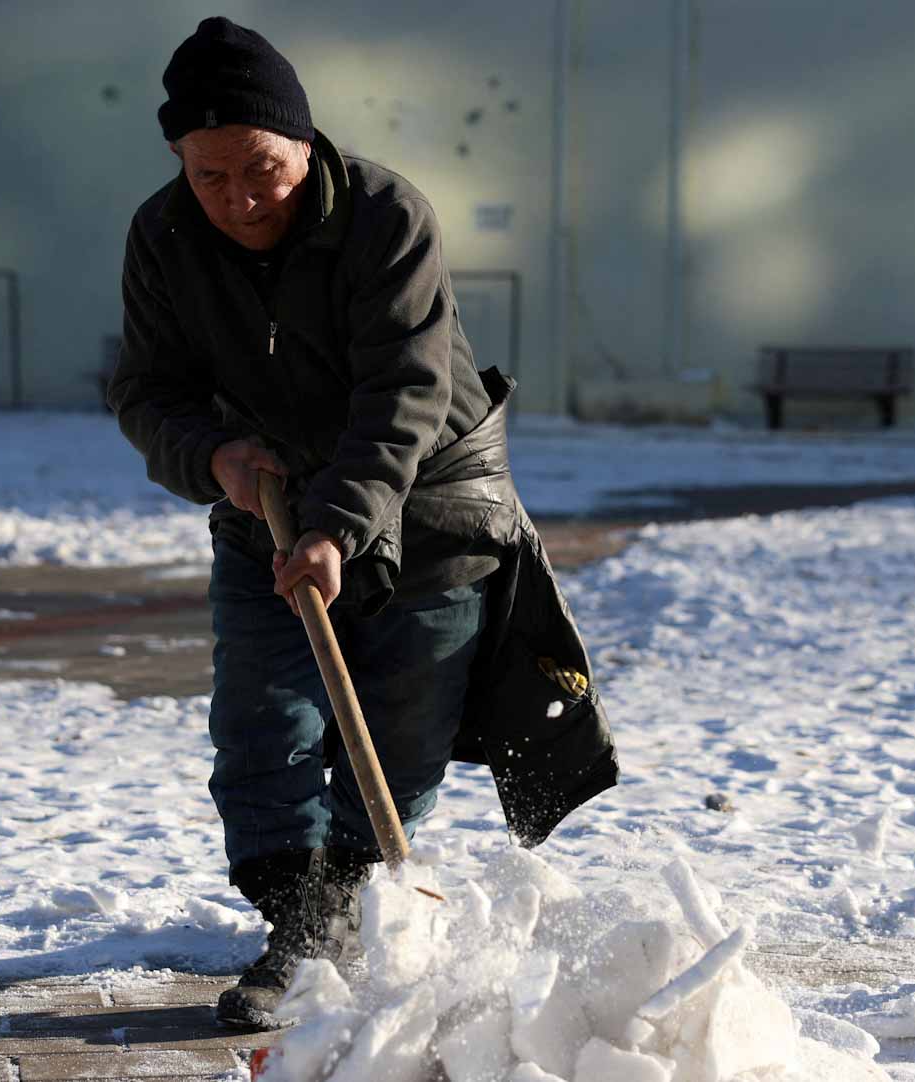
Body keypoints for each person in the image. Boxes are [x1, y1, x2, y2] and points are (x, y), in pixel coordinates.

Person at [107, 16, 617, 1030]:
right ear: (178, 161)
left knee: (396, 733)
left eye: (263, 168)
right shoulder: (163, 236)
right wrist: (215, 458)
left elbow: (405, 392)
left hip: (430, 506)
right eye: (210, 175)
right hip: (267, 503)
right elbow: (146, 389)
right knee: (262, 726)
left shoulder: (385, 216)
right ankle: (301, 933)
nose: (241, 199)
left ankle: (351, 910)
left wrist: (337, 525)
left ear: (304, 143)